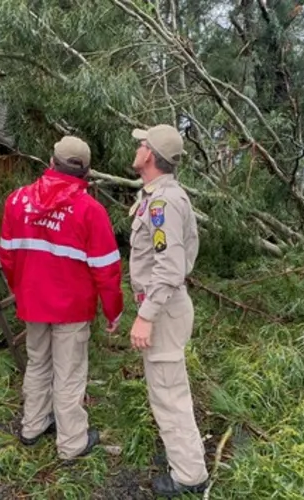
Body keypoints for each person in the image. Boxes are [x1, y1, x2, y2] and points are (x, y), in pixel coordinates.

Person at [0, 135, 123, 463]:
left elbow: (7, 256)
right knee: (68, 373)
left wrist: (21, 290)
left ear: (50, 163)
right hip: (72, 308)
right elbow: (106, 270)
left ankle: (32, 426)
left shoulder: (16, 201)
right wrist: (113, 311)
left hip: (33, 303)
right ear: (86, 173)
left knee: (38, 363)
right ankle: (71, 443)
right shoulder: (90, 211)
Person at [125, 124, 208, 496]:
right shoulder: (157, 195)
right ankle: (181, 456)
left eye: (142, 144)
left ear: (151, 156)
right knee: (166, 389)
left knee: (169, 393)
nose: (138, 148)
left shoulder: (163, 202)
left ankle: (189, 476)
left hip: (164, 310)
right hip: (163, 307)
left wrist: (145, 316)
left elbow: (170, 268)